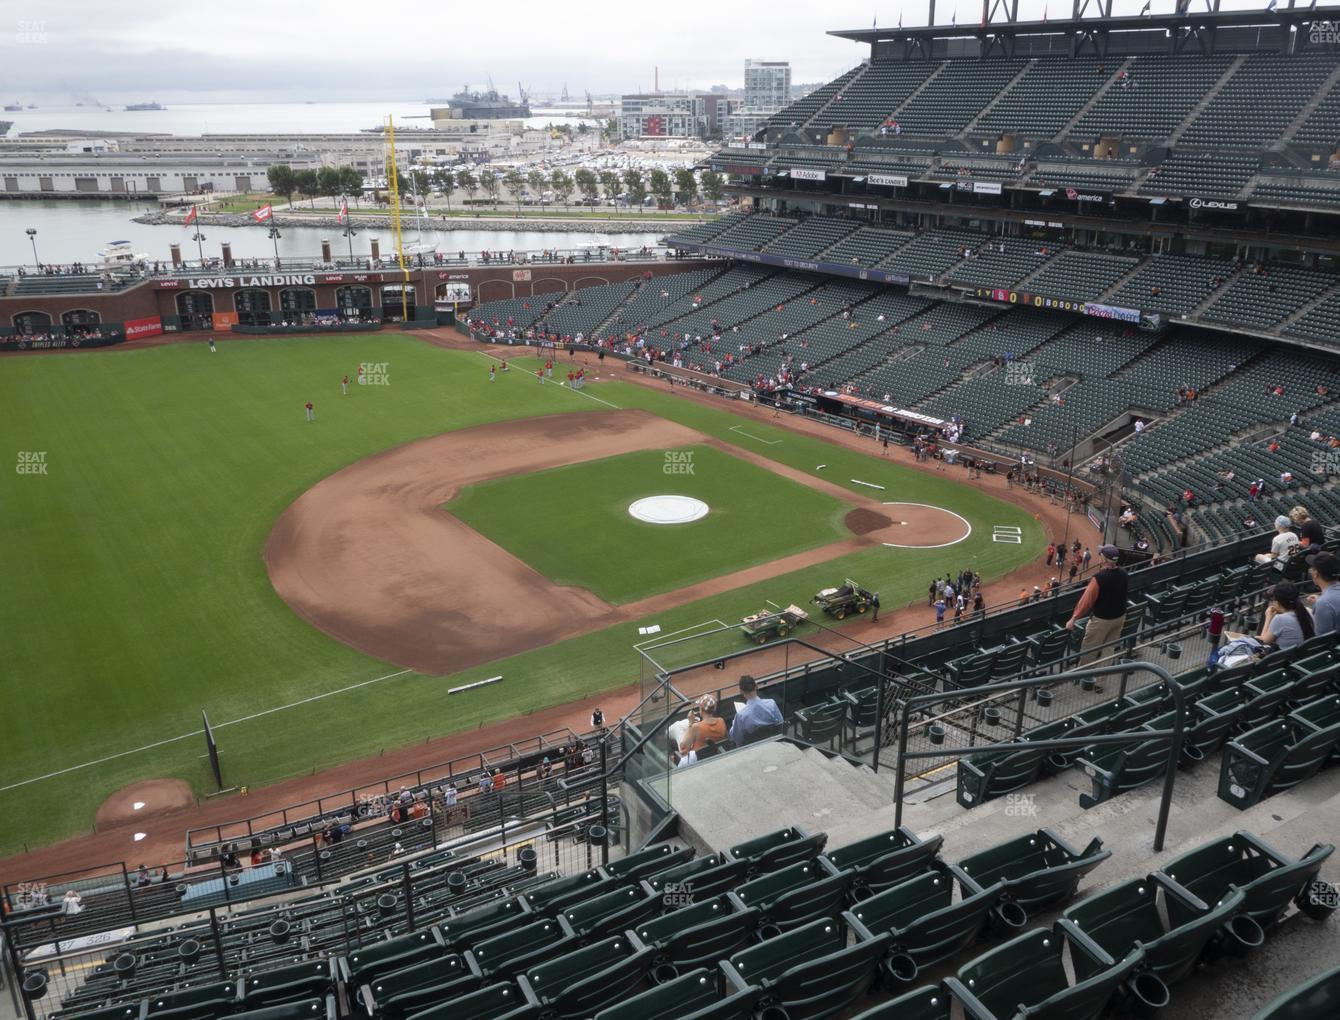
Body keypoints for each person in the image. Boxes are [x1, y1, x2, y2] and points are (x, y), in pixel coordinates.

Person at [1065, 544, 1129, 683]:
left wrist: (1073, 619)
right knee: (1108, 650)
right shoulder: (1124, 573)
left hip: (1102, 620)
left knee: (1089, 649)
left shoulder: (1099, 578)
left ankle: (1084, 680)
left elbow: (1086, 602)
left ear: (1104, 559)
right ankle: (1100, 683)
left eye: (1101, 554)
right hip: (1119, 617)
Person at [728, 675, 783, 746]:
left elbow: (736, 738)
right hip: (774, 743)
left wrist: (734, 724)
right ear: (756, 686)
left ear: (741, 691)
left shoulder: (740, 715)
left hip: (754, 749)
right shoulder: (771, 703)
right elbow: (781, 723)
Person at [1308, 552, 1340, 636]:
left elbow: (1322, 639)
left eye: (1312, 569)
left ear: (1316, 574)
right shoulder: (1324, 601)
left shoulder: (1323, 603)